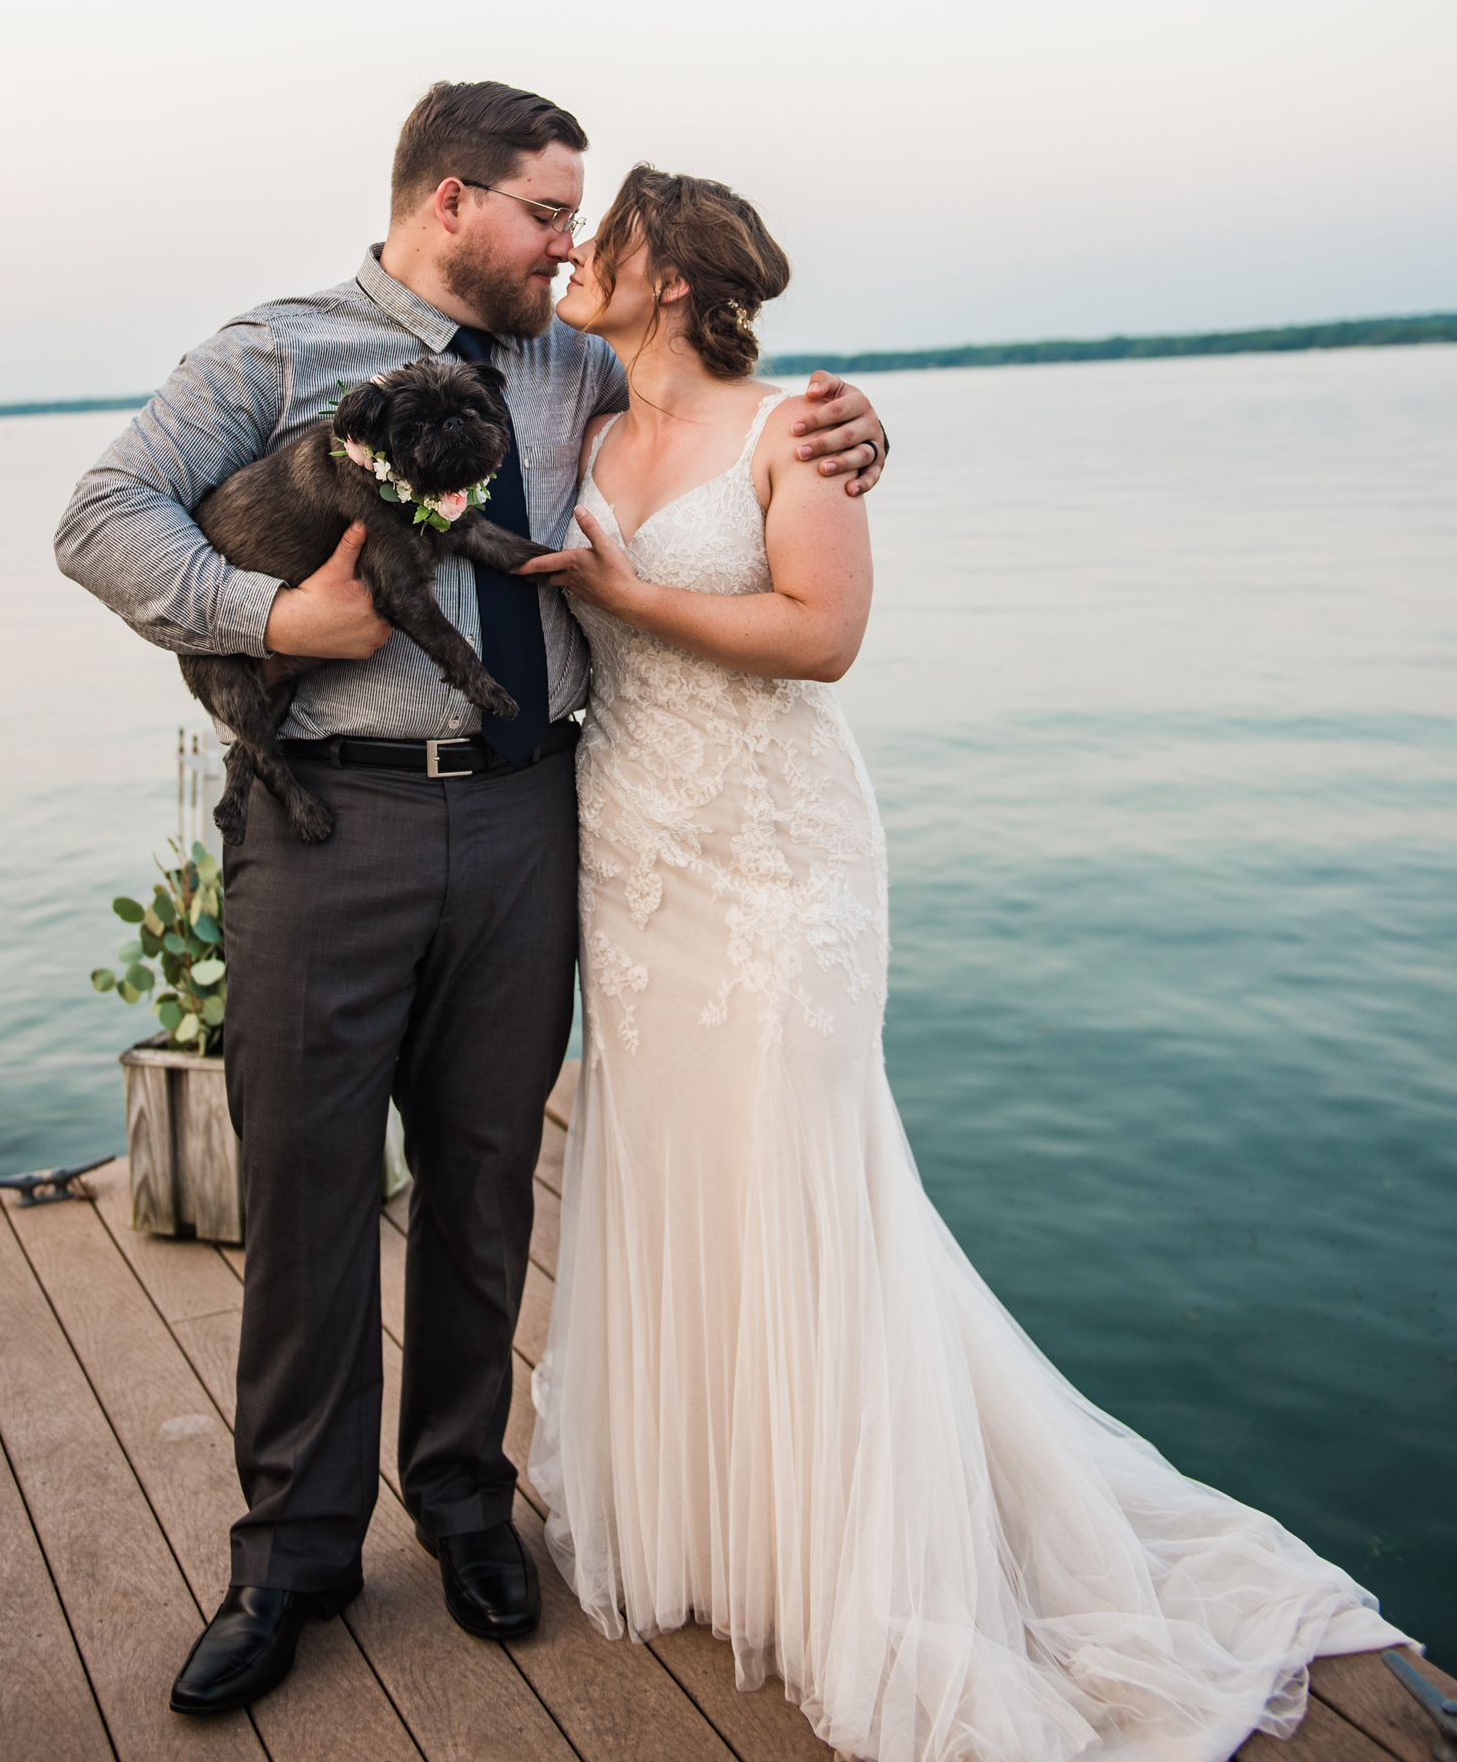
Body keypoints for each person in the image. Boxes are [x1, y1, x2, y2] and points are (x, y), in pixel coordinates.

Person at [521, 165, 1406, 1762]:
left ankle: (865, 1562)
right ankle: (730, 1527)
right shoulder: (578, 414)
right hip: (633, 845)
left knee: (804, 1173)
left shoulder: (795, 428)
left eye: (610, 235)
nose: (576, 253)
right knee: (670, 1168)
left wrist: (632, 592)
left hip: (779, 857)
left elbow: (823, 635)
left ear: (671, 275)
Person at [54, 81, 890, 1717]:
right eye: (545, 215)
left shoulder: (580, 364)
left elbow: (725, 414)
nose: (569, 245)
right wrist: (274, 622)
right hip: (327, 836)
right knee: (304, 1191)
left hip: (532, 821)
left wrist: (848, 429)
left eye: (583, 223)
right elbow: (101, 518)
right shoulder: (276, 353)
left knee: (490, 1178)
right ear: (451, 202)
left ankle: (458, 1502)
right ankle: (290, 1553)